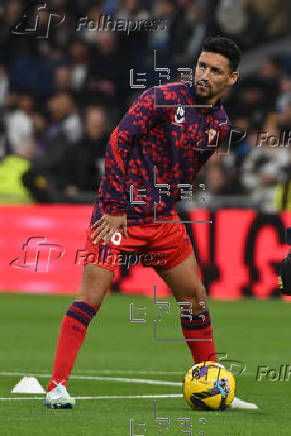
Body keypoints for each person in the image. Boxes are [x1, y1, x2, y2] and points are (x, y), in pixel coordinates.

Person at [44, 36, 257, 410]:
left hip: (163, 222)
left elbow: (185, 170)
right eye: (202, 65)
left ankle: (212, 383)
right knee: (91, 297)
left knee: (194, 299)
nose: (205, 75)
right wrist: (113, 205)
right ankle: (56, 386)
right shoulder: (162, 97)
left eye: (215, 70)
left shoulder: (220, 123)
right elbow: (118, 141)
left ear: (232, 78)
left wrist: (167, 202)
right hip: (119, 217)